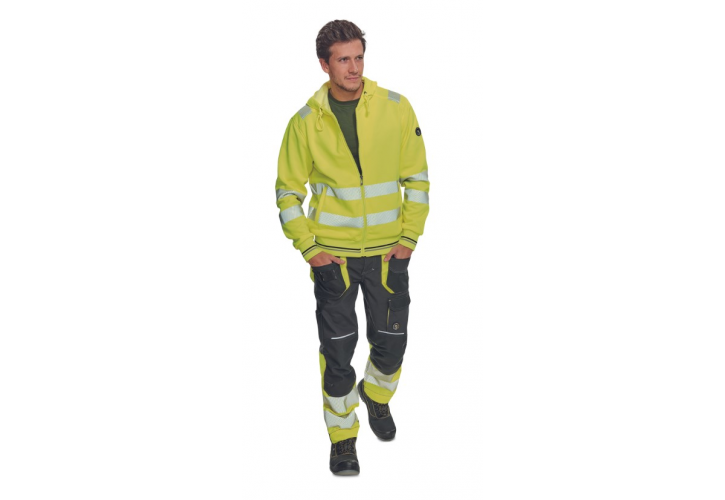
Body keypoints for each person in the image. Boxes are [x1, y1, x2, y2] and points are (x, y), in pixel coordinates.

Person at [274, 19, 430, 476]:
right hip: (335, 260)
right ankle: (342, 435)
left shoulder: (396, 108)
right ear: (324, 65)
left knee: (392, 342)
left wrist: (408, 238)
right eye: (343, 59)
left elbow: (417, 179)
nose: (354, 68)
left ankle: (377, 395)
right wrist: (310, 249)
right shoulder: (305, 122)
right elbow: (287, 192)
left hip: (387, 255)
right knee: (338, 351)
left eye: (359, 57)